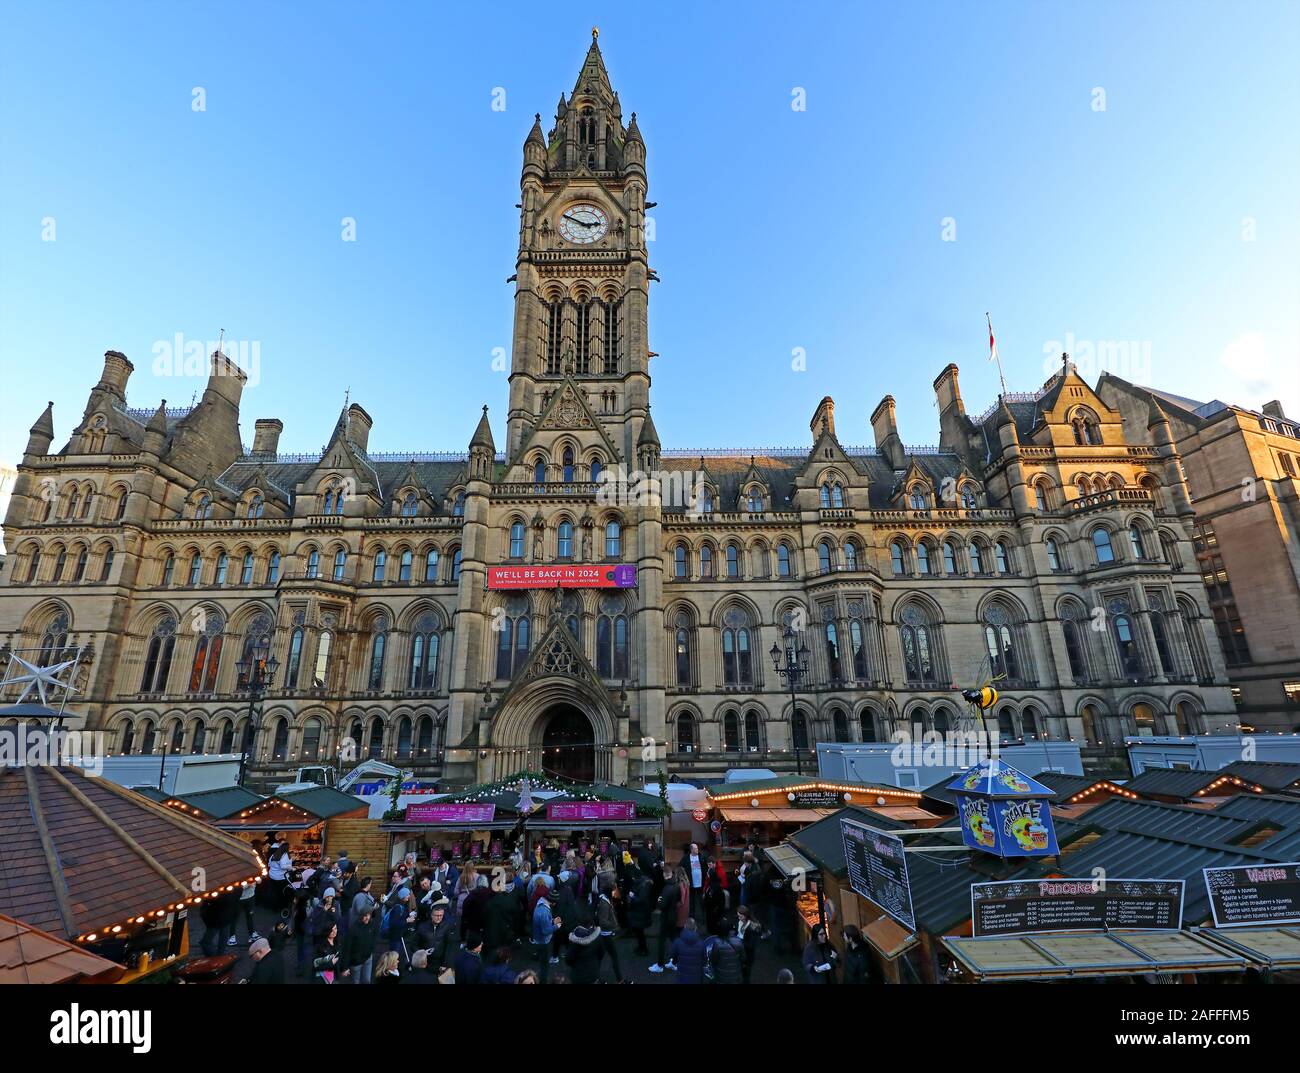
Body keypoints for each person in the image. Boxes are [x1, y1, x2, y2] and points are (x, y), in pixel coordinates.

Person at [648, 864, 681, 973]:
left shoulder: (666, 889)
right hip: (674, 916)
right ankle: (675, 962)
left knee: (661, 941)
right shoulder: (677, 885)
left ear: (664, 875)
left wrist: (659, 900)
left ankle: (660, 965)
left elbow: (661, 905)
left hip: (666, 918)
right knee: (674, 939)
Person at [594, 873, 623, 983]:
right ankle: (619, 979)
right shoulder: (604, 903)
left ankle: (596, 978)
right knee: (612, 957)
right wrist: (614, 925)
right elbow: (603, 921)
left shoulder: (604, 899)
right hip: (606, 935)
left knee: (600, 957)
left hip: (604, 935)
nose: (615, 885)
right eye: (613, 884)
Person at [340, 905, 378, 984]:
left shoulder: (372, 925)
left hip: (368, 958)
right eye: (365, 915)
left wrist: (371, 950)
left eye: (369, 915)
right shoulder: (353, 929)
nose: (367, 918)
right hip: (356, 962)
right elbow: (347, 948)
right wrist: (345, 967)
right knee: (355, 982)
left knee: (367, 981)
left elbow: (374, 938)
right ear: (361, 916)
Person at [531, 888, 560, 985]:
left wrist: (552, 921)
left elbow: (544, 923)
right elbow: (546, 931)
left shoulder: (540, 904)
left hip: (537, 937)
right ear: (552, 902)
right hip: (543, 941)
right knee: (544, 966)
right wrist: (556, 926)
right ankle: (543, 981)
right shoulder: (544, 912)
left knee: (542, 959)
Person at [625, 867, 653, 956]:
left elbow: (641, 899)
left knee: (640, 932)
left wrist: (632, 897)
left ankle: (643, 949)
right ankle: (642, 947)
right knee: (639, 932)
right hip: (641, 912)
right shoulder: (643, 882)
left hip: (640, 912)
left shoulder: (642, 885)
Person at [679, 842, 709, 922]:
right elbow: (680, 868)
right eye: (695, 849)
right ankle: (692, 918)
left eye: (697, 848)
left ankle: (703, 918)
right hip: (691, 884)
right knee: (691, 902)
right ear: (691, 849)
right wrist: (684, 879)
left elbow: (706, 867)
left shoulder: (702, 857)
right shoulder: (686, 858)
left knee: (701, 901)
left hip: (700, 884)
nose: (697, 850)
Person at [669, 918, 705, 984]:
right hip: (696, 978)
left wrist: (675, 961)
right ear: (696, 928)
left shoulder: (677, 942)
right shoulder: (702, 944)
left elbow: (672, 955)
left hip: (682, 977)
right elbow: (704, 960)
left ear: (685, 927)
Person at [707, 920, 744, 984]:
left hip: (722, 977)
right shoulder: (738, 941)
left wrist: (710, 954)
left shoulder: (717, 943)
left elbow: (714, 960)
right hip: (735, 976)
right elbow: (743, 958)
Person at [734, 905, 761, 985]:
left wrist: (739, 942)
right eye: (738, 916)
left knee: (746, 974)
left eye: (741, 916)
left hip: (747, 955)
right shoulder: (739, 922)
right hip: (740, 952)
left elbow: (751, 945)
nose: (739, 918)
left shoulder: (752, 928)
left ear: (746, 916)